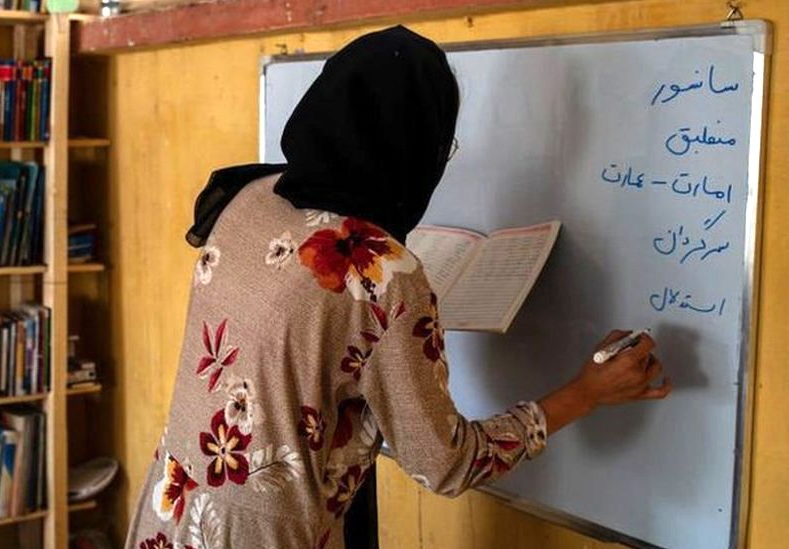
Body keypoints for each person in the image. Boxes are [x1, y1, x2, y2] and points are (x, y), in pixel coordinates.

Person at [125, 25, 671, 549]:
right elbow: (445, 462)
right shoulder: (384, 273)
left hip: (173, 506)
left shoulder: (249, 197)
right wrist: (583, 394)